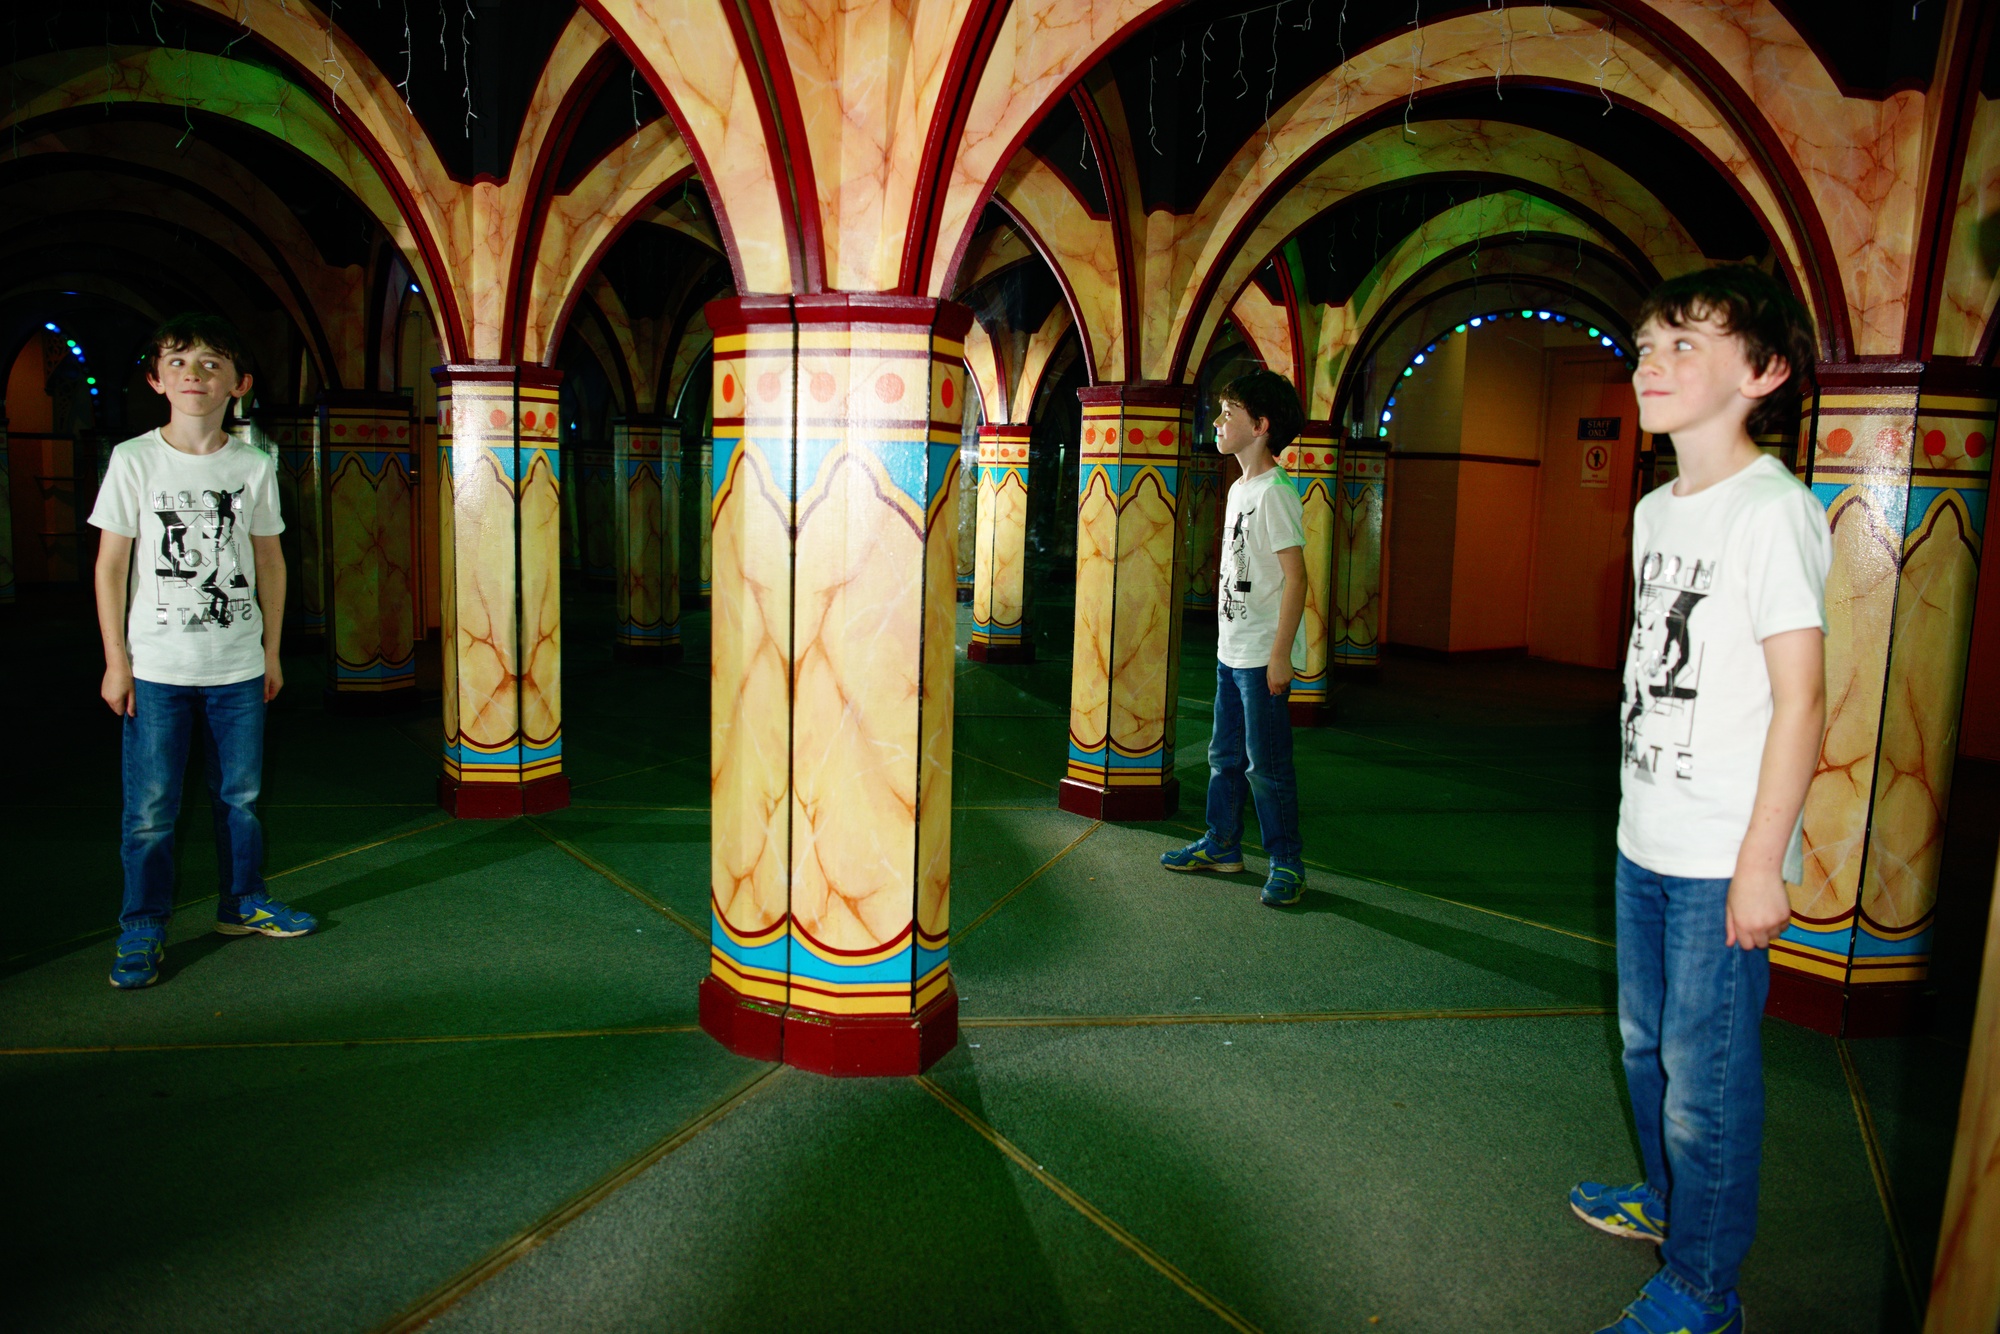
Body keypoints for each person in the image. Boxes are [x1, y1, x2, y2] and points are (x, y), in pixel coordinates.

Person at [1572, 266, 1829, 1334]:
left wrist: (1761, 864)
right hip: (1647, 833)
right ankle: (1667, 1202)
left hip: (1723, 853)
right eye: (1645, 346)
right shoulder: (1651, 511)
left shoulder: (1774, 512)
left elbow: (1801, 699)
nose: (1652, 364)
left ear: (1760, 372)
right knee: (1646, 1046)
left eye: (1685, 344)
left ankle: (1702, 1288)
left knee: (1704, 1077)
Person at [89, 313, 318, 991]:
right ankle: (142, 925)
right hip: (157, 669)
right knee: (151, 809)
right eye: (179, 361)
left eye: (212, 363)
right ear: (157, 380)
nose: (195, 374)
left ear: (239, 384)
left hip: (238, 666)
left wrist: (272, 653)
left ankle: (241, 902)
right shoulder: (134, 460)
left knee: (240, 797)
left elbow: (270, 561)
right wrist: (116, 661)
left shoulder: (253, 466)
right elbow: (110, 566)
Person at [1160, 369, 1310, 906]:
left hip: (1261, 658)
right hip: (1232, 652)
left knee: (1266, 766)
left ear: (1261, 426)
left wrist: (1280, 657)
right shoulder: (1239, 488)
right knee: (1224, 756)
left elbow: (1297, 579)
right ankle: (1222, 843)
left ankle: (1287, 862)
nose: (1218, 423)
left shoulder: (1275, 493)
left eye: (1229, 414)